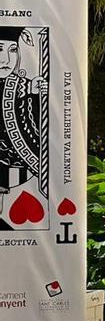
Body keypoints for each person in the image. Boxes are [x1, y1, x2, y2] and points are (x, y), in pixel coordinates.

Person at [0, 25, 45, 224]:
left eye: (13, 50)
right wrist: (27, 88)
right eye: (0, 49)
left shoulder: (21, 83)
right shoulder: (21, 85)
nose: (7, 60)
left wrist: (33, 92)